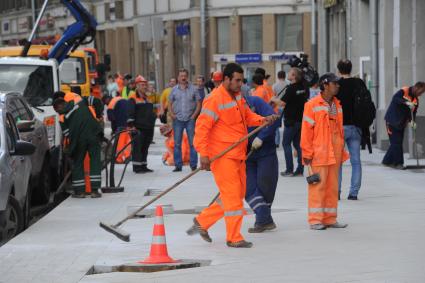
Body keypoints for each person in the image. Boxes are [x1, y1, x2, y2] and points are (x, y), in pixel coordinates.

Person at [186, 63, 278, 248]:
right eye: (236, 80)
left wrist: (263, 120)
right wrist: (203, 154)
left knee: (236, 193)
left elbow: (248, 116)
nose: (240, 83)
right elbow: (202, 129)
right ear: (226, 79)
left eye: (241, 80)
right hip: (222, 156)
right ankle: (234, 237)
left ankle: (202, 221)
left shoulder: (238, 97)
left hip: (238, 154)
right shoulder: (214, 99)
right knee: (233, 197)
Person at [301, 72, 349, 230]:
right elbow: (306, 132)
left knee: (332, 186)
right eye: (335, 83)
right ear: (325, 85)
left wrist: (341, 150)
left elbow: (339, 129)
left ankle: (329, 218)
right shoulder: (312, 105)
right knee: (318, 186)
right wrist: (306, 154)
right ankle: (315, 219)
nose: (338, 86)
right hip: (319, 152)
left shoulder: (337, 105)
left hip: (334, 152)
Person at [53, 94, 103, 198]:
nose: (57, 112)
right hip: (94, 133)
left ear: (59, 107)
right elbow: (97, 101)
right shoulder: (79, 101)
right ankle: (94, 191)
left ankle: (80, 192)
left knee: (77, 163)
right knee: (95, 161)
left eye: (57, 110)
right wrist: (98, 116)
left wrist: (68, 149)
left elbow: (67, 135)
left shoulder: (62, 118)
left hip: (79, 140)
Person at [244, 95, 280, 233]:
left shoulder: (255, 102)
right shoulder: (227, 108)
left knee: (266, 187)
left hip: (265, 152)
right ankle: (265, 219)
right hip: (245, 154)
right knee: (248, 188)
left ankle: (262, 220)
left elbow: (273, 118)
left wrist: (261, 137)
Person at [335, 59, 368, 200]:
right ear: (350, 68)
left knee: (337, 161)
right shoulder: (359, 83)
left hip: (339, 127)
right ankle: (353, 193)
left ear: (338, 69)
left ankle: (336, 191)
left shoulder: (335, 84)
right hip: (356, 127)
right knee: (356, 161)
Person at [382, 82, 425, 169]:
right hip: (392, 121)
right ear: (417, 87)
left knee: (396, 143)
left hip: (401, 123)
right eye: (421, 91)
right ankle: (398, 163)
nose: (421, 94)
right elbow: (395, 99)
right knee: (396, 142)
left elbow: (413, 113)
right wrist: (406, 103)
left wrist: (412, 122)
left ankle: (386, 161)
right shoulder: (404, 91)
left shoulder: (415, 100)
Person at [276, 67, 309, 177]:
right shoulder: (303, 87)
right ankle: (300, 169)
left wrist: (272, 100)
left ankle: (289, 169)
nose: (288, 74)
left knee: (286, 143)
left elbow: (281, 103)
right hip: (300, 120)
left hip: (291, 121)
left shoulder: (291, 88)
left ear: (294, 76)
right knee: (298, 145)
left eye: (290, 73)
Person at [168, 68, 201, 172]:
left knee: (192, 143)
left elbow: (199, 103)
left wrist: (194, 116)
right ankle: (178, 165)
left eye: (184, 76)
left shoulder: (194, 89)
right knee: (177, 143)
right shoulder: (174, 89)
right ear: (178, 77)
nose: (183, 78)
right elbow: (169, 102)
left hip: (190, 119)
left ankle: (193, 165)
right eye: (181, 76)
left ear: (187, 77)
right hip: (178, 119)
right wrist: (172, 114)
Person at [127, 75, 157, 173]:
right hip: (138, 128)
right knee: (137, 148)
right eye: (142, 85)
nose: (144, 86)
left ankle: (144, 166)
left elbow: (151, 111)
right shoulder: (133, 98)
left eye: (145, 84)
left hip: (148, 127)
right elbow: (130, 113)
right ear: (137, 86)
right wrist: (131, 126)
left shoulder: (147, 98)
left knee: (145, 147)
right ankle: (137, 167)